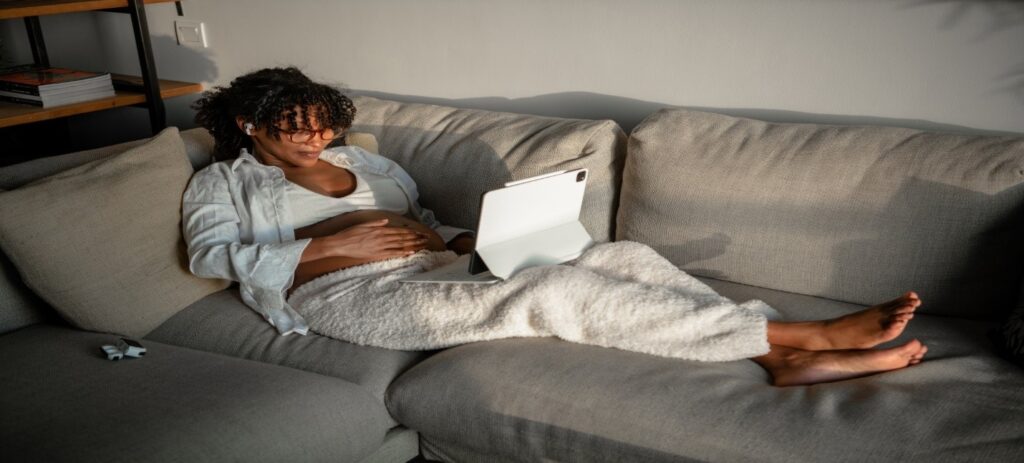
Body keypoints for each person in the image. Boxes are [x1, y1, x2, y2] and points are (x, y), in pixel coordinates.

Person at [183, 67, 927, 387]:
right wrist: (329, 243)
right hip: (343, 293)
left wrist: (465, 238)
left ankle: (773, 359)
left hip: (433, 266)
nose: (314, 140)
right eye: (294, 129)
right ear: (250, 125)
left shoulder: (368, 165)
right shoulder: (224, 182)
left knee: (623, 252)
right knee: (557, 289)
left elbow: (426, 219)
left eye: (322, 125)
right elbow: (213, 256)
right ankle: (802, 338)